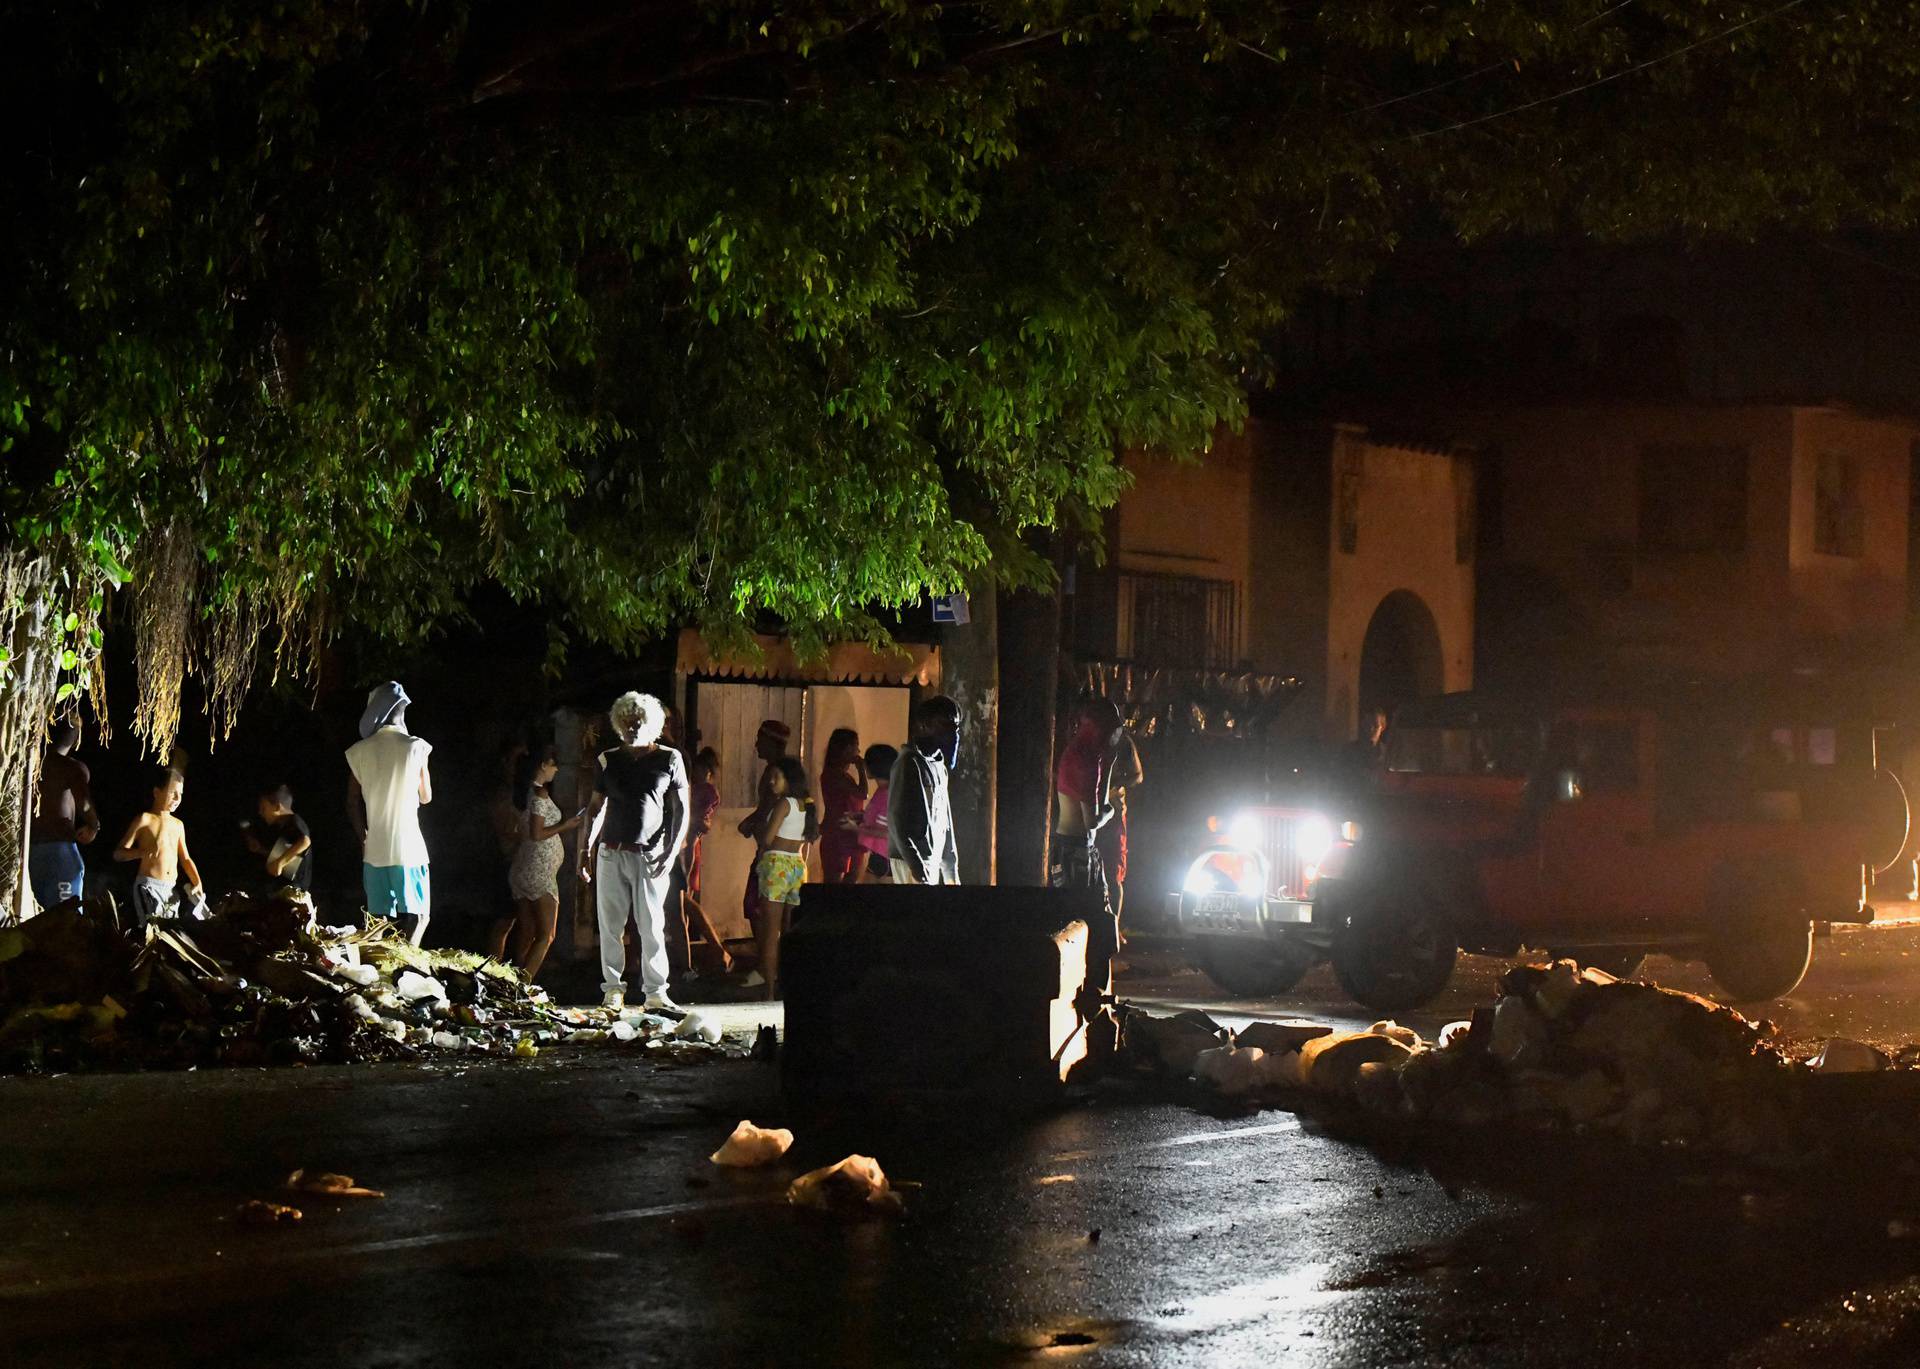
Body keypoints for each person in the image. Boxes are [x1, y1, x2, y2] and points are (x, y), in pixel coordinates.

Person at [579, 691, 689, 1014]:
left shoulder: (670, 759)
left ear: (652, 723)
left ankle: (656, 993)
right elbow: (596, 807)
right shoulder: (608, 759)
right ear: (618, 724)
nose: (632, 727)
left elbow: (682, 811)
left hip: (650, 855)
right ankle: (613, 991)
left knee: (652, 926)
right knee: (610, 926)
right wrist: (587, 847)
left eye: (638, 721)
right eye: (626, 721)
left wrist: (670, 853)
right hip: (611, 852)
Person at [345, 681, 433, 945]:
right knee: (418, 916)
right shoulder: (416, 746)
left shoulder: (358, 751)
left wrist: (363, 837)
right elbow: (426, 797)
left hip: (375, 848)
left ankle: (377, 971)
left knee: (377, 921)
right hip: (409, 848)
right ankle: (406, 967)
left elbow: (351, 802)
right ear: (400, 710)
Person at [507, 744, 584, 983]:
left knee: (527, 930)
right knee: (546, 935)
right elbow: (537, 833)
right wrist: (567, 825)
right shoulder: (539, 795)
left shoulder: (527, 793)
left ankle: (513, 979)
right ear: (543, 765)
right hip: (538, 872)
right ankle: (524, 985)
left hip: (525, 868)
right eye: (553, 764)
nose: (556, 769)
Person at [751, 755, 819, 1000]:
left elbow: (767, 839)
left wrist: (758, 829)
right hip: (798, 866)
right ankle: (793, 988)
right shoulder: (807, 805)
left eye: (776, 777)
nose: (771, 781)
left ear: (788, 779)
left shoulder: (784, 804)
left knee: (771, 933)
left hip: (776, 864)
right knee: (791, 932)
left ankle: (769, 991)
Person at [1051, 698, 1122, 915]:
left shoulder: (1079, 751)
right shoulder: (1087, 760)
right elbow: (1091, 820)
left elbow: (1098, 802)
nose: (1114, 737)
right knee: (1084, 918)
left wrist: (1109, 766)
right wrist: (1109, 815)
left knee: (1084, 917)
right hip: (1076, 852)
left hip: (1072, 848)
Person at [113, 765, 203, 925]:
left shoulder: (178, 825)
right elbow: (118, 854)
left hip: (170, 889)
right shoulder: (145, 819)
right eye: (172, 793)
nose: (177, 798)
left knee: (170, 935)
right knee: (153, 933)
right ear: (156, 792)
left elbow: (186, 859)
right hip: (149, 888)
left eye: (180, 794)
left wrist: (197, 881)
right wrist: (140, 853)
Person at [889, 696, 961, 885]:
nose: (952, 732)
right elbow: (898, 822)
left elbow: (946, 823)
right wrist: (918, 871)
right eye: (944, 724)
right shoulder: (908, 763)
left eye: (955, 726)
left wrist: (951, 871)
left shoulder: (939, 767)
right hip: (911, 864)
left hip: (931, 862)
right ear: (924, 725)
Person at [29, 720, 98, 910]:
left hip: (30, 852)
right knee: (66, 921)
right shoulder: (71, 767)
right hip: (59, 851)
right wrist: (93, 825)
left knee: (36, 918)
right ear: (76, 737)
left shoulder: (27, 766)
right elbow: (84, 804)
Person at [678, 747, 733, 975]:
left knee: (684, 899)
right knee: (683, 901)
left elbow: (699, 822)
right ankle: (697, 952)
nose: (697, 774)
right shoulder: (701, 790)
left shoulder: (707, 791)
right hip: (687, 844)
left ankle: (714, 949)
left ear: (708, 771)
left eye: (700, 770)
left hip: (688, 845)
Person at [735, 719, 791, 928]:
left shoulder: (774, 773)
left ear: (772, 742)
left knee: (755, 907)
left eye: (760, 739)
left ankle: (767, 956)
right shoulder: (787, 770)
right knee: (780, 909)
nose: (756, 744)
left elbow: (767, 808)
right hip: (784, 851)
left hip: (770, 851)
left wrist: (750, 823)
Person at [1098, 715, 1143, 924]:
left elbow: (1137, 775)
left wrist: (1114, 786)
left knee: (1113, 871)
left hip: (1113, 814)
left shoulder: (1122, 741)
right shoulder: (1084, 738)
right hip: (1089, 812)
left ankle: (1114, 926)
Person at [817, 727, 867, 885]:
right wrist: (861, 769)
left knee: (851, 879)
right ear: (845, 748)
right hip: (838, 834)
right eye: (855, 746)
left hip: (850, 832)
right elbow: (862, 793)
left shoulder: (843, 776)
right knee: (834, 882)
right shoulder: (834, 775)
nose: (858, 750)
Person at [244, 783, 313, 893]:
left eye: (263, 808)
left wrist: (279, 863)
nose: (260, 813)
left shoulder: (294, 820)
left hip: (295, 889)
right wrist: (260, 850)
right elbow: (285, 856)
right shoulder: (281, 830)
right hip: (284, 888)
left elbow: (305, 841)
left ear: (277, 807)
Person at [856, 742, 897, 883]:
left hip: (885, 859)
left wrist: (856, 828)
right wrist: (859, 816)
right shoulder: (883, 791)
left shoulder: (887, 794)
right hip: (879, 857)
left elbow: (889, 833)